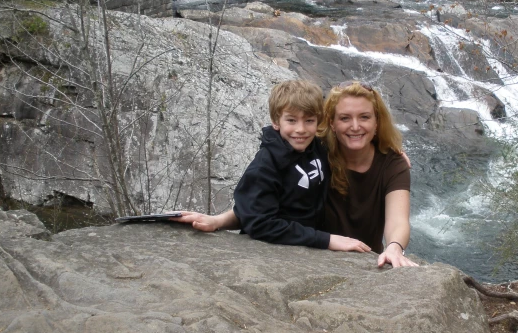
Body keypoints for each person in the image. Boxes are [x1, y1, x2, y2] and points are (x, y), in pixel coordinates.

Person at [171, 79, 370, 254]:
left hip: (310, 239)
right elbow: (260, 222)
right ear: (276, 121)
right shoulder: (265, 167)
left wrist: (396, 155)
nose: (300, 129)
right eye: (291, 120)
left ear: (318, 122)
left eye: (309, 121)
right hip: (280, 248)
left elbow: (353, 132)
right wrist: (327, 240)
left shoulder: (316, 145)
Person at [319, 81, 418, 268]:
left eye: (364, 117)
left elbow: (398, 220)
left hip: (368, 262)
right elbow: (291, 129)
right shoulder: (315, 154)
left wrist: (394, 247)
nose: (355, 127)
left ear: (377, 122)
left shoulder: (393, 163)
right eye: (345, 118)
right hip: (317, 256)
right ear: (332, 123)